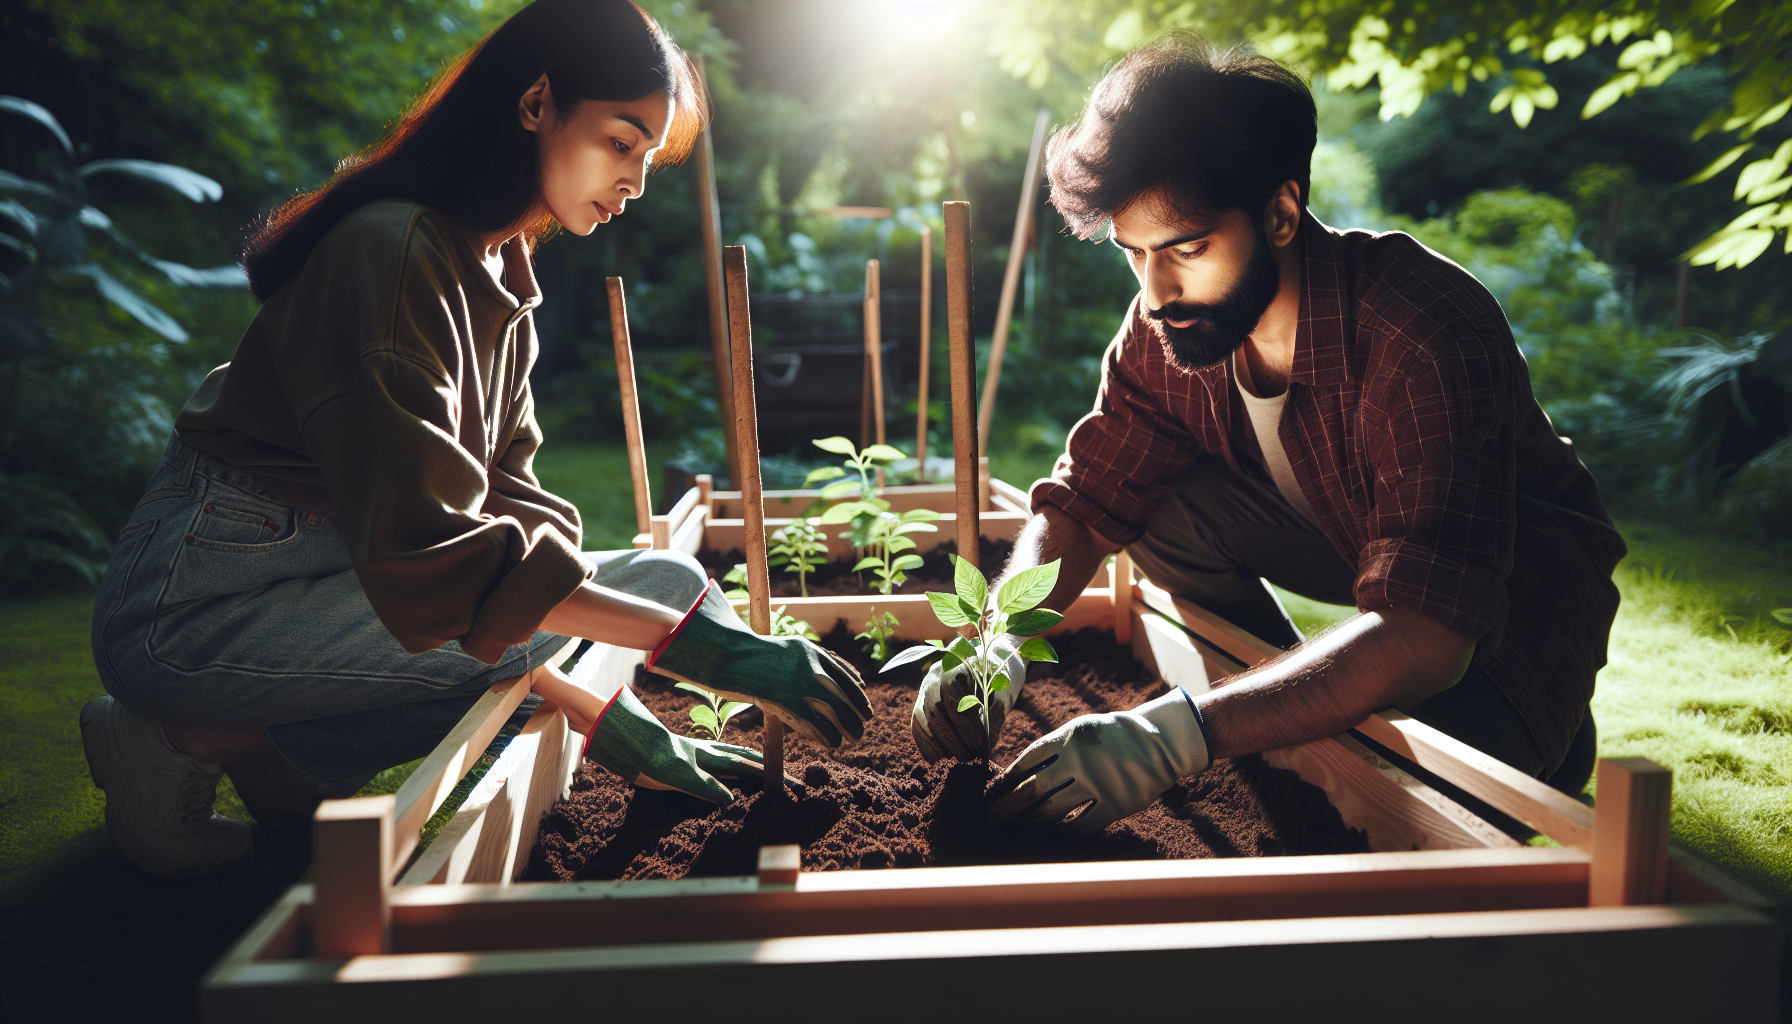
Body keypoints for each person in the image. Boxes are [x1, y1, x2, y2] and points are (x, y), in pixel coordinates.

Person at [81, 0, 870, 881]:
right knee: (591, 615)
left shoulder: (498, 274)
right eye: (622, 142)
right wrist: (706, 654)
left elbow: (520, 521)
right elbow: (442, 565)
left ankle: (266, 749)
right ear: (536, 103)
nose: (636, 182)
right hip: (195, 607)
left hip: (341, 582)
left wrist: (602, 706)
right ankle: (180, 735)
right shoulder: (389, 251)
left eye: (648, 157)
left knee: (664, 578)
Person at [932, 33, 1626, 835]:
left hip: (1509, 597)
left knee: (1408, 806)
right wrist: (996, 643)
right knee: (1155, 507)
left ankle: (1547, 730)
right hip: (1360, 536)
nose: (1156, 292)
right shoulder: (1169, 323)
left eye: (1188, 248)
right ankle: (1272, 705)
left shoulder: (1425, 332)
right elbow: (1087, 504)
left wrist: (1173, 736)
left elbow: (1429, 629)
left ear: (1283, 213)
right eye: (1134, 254)